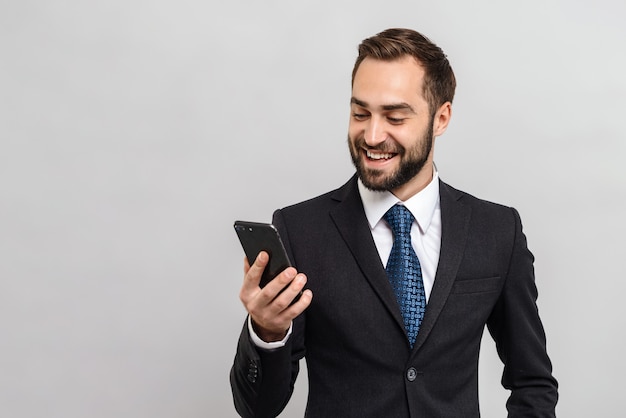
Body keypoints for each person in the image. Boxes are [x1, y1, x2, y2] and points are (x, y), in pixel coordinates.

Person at [230, 28, 558, 417]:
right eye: (360, 113)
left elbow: (532, 381)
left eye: (395, 116)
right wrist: (267, 333)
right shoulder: (300, 231)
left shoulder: (497, 231)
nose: (371, 135)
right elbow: (258, 409)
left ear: (441, 118)